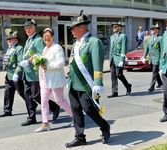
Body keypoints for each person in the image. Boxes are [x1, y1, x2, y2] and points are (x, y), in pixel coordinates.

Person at [65, 12, 110, 148]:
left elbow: (98, 64)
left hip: (88, 85)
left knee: (89, 109)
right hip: (74, 83)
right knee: (76, 110)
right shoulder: (76, 44)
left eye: (74, 28)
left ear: (83, 27)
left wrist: (98, 82)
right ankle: (80, 137)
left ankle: (104, 126)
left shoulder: (94, 42)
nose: (71, 30)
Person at [19, 19, 60, 126]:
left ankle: (54, 107)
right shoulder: (29, 40)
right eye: (26, 28)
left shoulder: (37, 40)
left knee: (36, 95)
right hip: (27, 73)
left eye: (29, 27)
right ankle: (31, 117)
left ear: (34, 28)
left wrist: (29, 61)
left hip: (35, 73)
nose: (27, 30)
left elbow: (43, 55)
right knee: (27, 95)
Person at [34, 28, 73, 132]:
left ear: (52, 37)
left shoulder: (57, 47)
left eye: (48, 36)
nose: (46, 38)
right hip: (45, 80)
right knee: (44, 101)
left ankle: (75, 117)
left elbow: (61, 63)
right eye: (45, 36)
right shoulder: (44, 49)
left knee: (59, 100)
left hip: (55, 80)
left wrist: (47, 66)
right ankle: (45, 123)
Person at [0, 31, 26, 117]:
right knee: (8, 93)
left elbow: (20, 62)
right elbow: (6, 59)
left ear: (16, 40)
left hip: (16, 76)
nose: (8, 41)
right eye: (7, 39)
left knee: (23, 93)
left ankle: (32, 104)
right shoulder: (9, 48)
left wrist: (17, 73)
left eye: (10, 39)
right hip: (9, 75)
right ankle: (7, 110)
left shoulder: (19, 48)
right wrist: (3, 65)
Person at [108, 21, 132, 98]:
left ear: (120, 28)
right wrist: (110, 59)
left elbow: (123, 49)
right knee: (113, 76)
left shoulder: (123, 36)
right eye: (113, 27)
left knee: (119, 74)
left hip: (119, 59)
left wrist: (122, 60)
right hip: (112, 59)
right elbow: (111, 49)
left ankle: (128, 86)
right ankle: (114, 92)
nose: (114, 28)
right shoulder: (112, 37)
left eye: (115, 27)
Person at [142, 24, 162, 92]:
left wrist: (162, 60)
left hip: (157, 58)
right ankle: (160, 83)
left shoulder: (160, 38)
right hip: (151, 58)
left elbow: (162, 50)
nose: (151, 30)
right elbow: (146, 48)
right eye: (151, 29)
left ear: (157, 30)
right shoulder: (149, 38)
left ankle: (152, 87)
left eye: (153, 29)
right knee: (155, 72)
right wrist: (144, 57)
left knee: (154, 72)